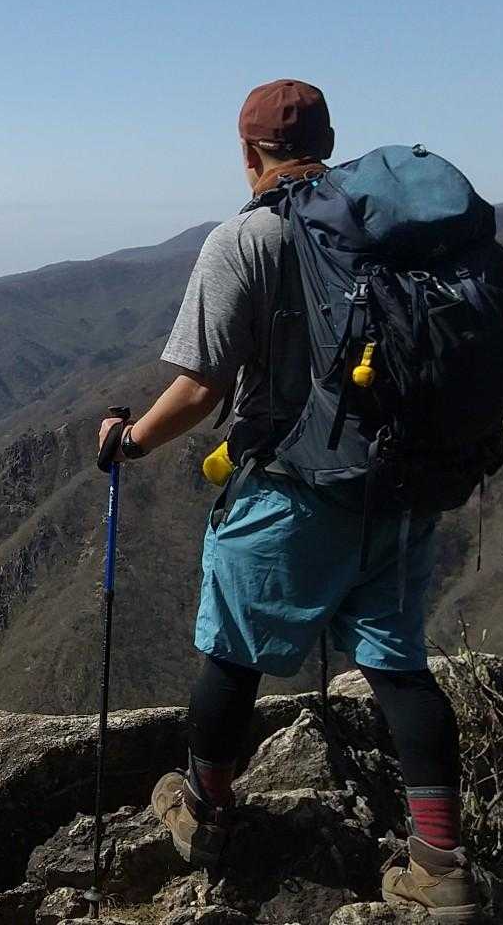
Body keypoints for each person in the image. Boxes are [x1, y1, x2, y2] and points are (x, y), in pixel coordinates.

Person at [96, 80, 480, 920]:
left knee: (233, 656)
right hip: (402, 486)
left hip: (294, 491)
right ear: (330, 143)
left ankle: (205, 809)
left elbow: (200, 388)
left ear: (247, 152)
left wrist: (130, 441)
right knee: (399, 669)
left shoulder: (245, 239)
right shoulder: (393, 232)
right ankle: (441, 865)